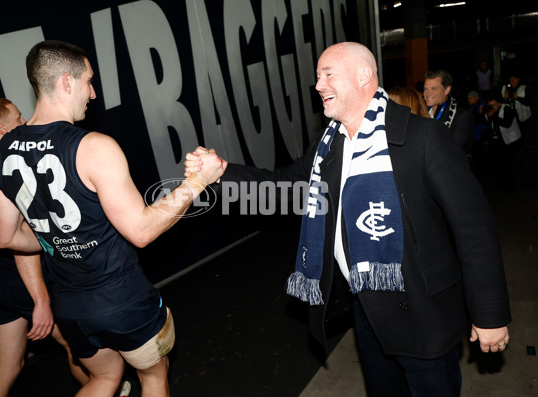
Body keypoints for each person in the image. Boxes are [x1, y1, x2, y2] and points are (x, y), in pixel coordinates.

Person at [186, 42, 511, 397]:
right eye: (317, 77)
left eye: (328, 74)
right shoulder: (329, 144)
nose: (318, 85)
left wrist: (489, 314)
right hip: (367, 311)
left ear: (363, 76)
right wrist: (222, 173)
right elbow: (286, 187)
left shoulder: (422, 137)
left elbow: (474, 229)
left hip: (421, 311)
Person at [0, 40, 226, 397]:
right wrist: (197, 182)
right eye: (88, 81)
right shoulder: (94, 147)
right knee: (154, 378)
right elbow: (141, 231)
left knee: (104, 379)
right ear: (66, 82)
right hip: (122, 299)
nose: (93, 93)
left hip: (70, 307)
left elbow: (4, 237)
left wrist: (57, 238)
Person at [0, 98, 89, 396]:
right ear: (1, 128)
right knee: (76, 346)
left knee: (8, 369)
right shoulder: (11, 171)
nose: (24, 120)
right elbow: (20, 242)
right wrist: (40, 300)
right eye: (18, 117)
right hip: (28, 280)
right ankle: (105, 389)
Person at [423, 69, 475, 155]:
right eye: (425, 89)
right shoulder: (420, 114)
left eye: (433, 89)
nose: (427, 93)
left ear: (447, 90)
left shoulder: (462, 116)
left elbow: (454, 148)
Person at [483, 93, 523, 190]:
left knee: (507, 165)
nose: (491, 108)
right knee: (494, 164)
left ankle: (510, 186)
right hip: (495, 141)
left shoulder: (508, 109)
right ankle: (501, 182)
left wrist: (492, 117)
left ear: (499, 104)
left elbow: (506, 123)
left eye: (493, 105)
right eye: (489, 105)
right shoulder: (489, 111)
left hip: (510, 141)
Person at [501, 72, 532, 138]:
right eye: (511, 79)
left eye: (514, 79)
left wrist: (517, 98)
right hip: (510, 117)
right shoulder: (506, 88)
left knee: (522, 133)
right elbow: (500, 102)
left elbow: (529, 102)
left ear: (518, 80)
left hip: (523, 116)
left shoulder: (525, 88)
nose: (512, 80)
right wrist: (505, 98)